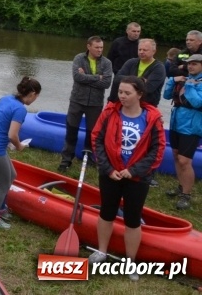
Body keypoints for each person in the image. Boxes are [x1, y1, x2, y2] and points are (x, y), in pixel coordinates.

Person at [89, 77, 165, 281]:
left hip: (137, 177)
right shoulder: (109, 113)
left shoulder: (153, 118)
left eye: (127, 93)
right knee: (107, 213)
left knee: (132, 219)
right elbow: (97, 140)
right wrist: (107, 168)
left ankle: (130, 262)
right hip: (111, 173)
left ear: (139, 94)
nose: (122, 96)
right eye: (120, 92)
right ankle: (101, 252)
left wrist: (134, 170)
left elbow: (157, 150)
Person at [0, 77, 42, 229]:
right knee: (2, 186)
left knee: (11, 175)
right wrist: (19, 146)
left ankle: (1, 208)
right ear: (32, 94)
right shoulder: (20, 109)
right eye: (37, 96)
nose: (35, 100)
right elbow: (12, 135)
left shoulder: (5, 98)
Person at [58, 36, 113, 173]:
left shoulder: (106, 63)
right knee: (71, 130)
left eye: (101, 48)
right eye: (97, 47)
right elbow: (77, 77)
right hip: (77, 100)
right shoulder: (79, 58)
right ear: (88, 46)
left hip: (95, 103)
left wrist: (86, 77)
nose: (100, 50)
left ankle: (88, 157)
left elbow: (106, 83)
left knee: (92, 132)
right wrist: (97, 77)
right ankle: (66, 159)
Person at [162, 53, 202, 210]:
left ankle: (186, 195)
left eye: (195, 64)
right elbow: (166, 96)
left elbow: (198, 103)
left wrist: (190, 86)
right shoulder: (183, 78)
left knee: (185, 161)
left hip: (192, 126)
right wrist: (172, 80)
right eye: (189, 64)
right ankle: (181, 186)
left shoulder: (196, 83)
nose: (190, 66)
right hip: (176, 122)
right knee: (176, 156)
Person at [108, 39, 166, 107]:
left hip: (146, 106)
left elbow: (148, 88)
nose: (141, 52)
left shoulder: (159, 68)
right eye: (140, 49)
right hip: (126, 105)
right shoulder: (131, 62)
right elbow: (117, 79)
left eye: (145, 50)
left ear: (154, 51)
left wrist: (126, 80)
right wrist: (140, 80)